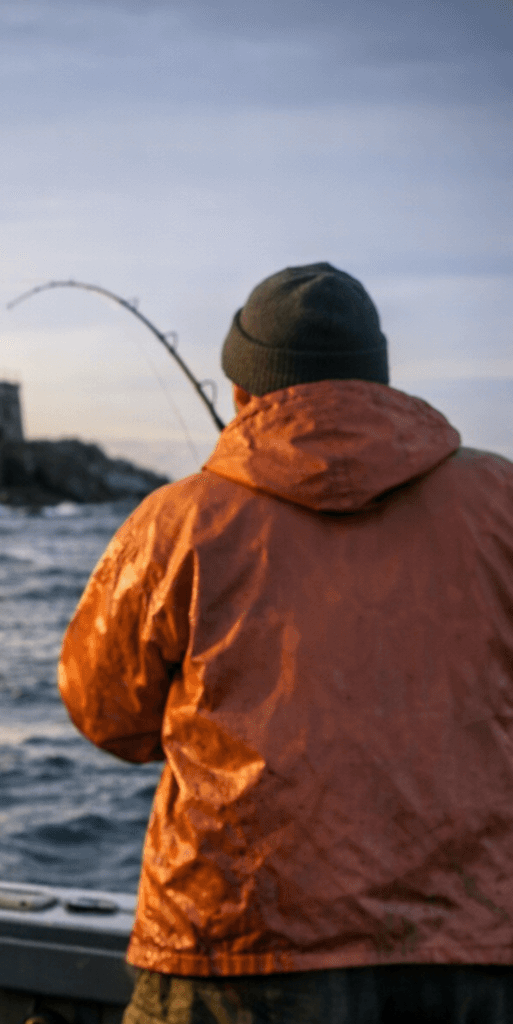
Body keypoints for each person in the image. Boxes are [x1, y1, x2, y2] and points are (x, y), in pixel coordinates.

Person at [58, 263, 513, 1023]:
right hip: (480, 945)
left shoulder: (175, 522)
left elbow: (105, 713)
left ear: (243, 392)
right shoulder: (502, 499)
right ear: (378, 379)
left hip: (234, 945)